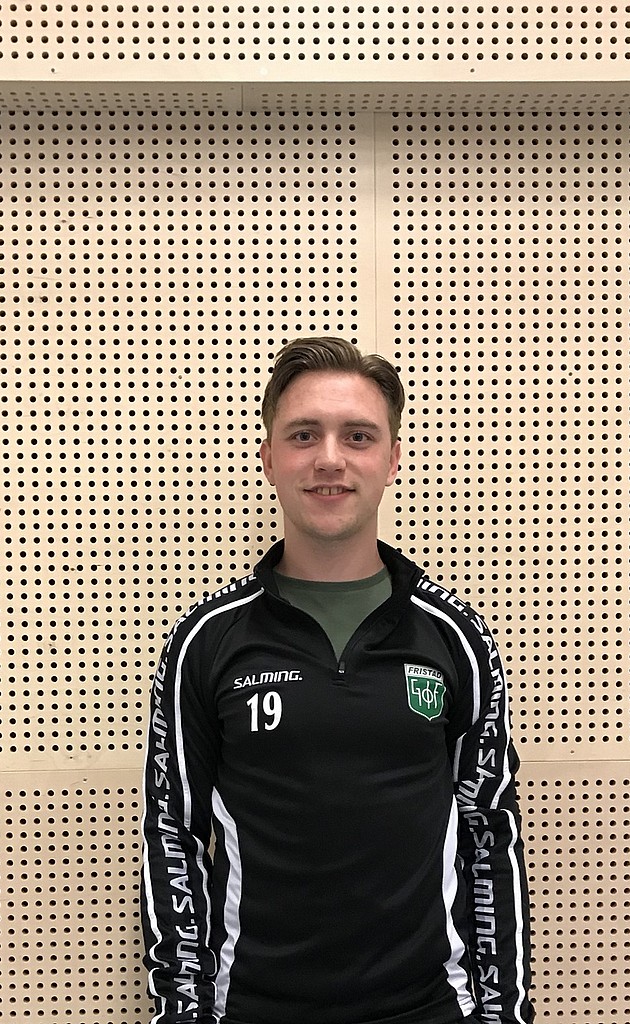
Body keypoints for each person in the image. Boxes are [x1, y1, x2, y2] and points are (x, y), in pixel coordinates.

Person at [140, 336, 534, 1024]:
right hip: (253, 1010)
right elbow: (174, 835)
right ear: (269, 458)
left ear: (392, 458)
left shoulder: (454, 636)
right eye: (303, 435)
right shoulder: (207, 640)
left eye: (357, 436)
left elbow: (487, 834)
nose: (329, 458)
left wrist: (504, 1015)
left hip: (429, 1010)